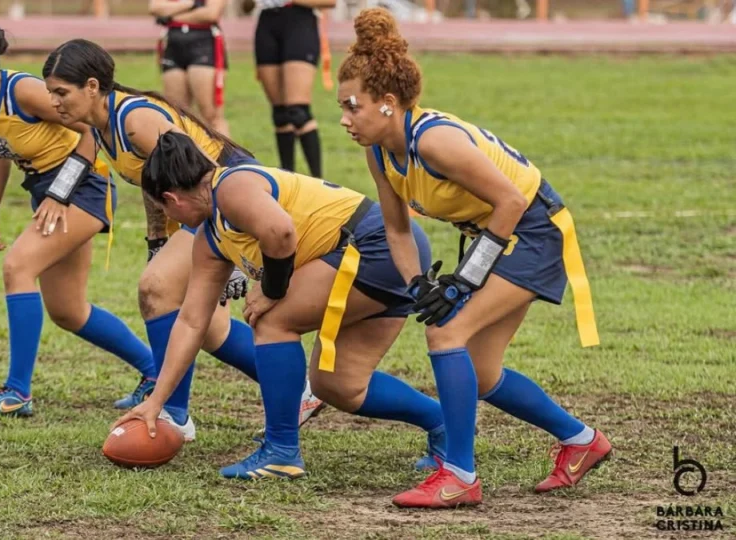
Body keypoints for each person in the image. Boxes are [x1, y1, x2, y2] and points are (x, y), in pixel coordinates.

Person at [336, 8, 610, 508]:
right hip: (500, 235)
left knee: (446, 333)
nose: (344, 118)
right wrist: (418, 284)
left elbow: (511, 202)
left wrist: (463, 282)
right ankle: (581, 440)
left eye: (353, 106)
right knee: (481, 373)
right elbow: (397, 227)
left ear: (388, 104)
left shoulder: (433, 140)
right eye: (342, 107)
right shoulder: (379, 151)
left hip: (532, 230)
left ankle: (459, 474)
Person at [115, 131, 448, 479]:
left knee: (271, 320)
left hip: (378, 245)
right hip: (384, 250)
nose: (169, 217)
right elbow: (191, 322)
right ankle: (443, 423)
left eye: (164, 209)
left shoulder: (230, 186)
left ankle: (281, 451)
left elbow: (281, 232)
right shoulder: (210, 238)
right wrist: (156, 402)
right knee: (338, 385)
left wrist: (272, 290)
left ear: (171, 198)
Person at [42, 39, 325, 439]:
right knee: (209, 328)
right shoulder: (99, 125)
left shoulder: (136, 119)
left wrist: (228, 253)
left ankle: (173, 415)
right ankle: (301, 390)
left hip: (227, 201)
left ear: (91, 86)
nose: (53, 102)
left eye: (60, 92)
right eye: (50, 92)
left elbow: (204, 178)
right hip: (198, 207)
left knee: (155, 289)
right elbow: (154, 182)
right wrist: (156, 239)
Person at [0, 19, 157, 416]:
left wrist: (61, 193)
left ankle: (16, 392)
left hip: (84, 186)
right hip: (46, 192)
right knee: (68, 311)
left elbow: (91, 131)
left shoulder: (23, 91)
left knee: (17, 267)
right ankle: (155, 372)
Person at [248, 0, 335, 178]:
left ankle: (319, 182)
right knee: (280, 115)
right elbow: (246, 7)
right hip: (267, 21)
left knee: (298, 111)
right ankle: (287, 180)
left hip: (299, 21)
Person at [149, 0, 231, 135]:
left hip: (204, 45)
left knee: (211, 115)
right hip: (173, 44)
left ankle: (223, 149)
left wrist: (170, 17)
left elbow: (211, 14)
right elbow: (155, 8)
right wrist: (191, 4)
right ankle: (187, 148)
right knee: (176, 115)